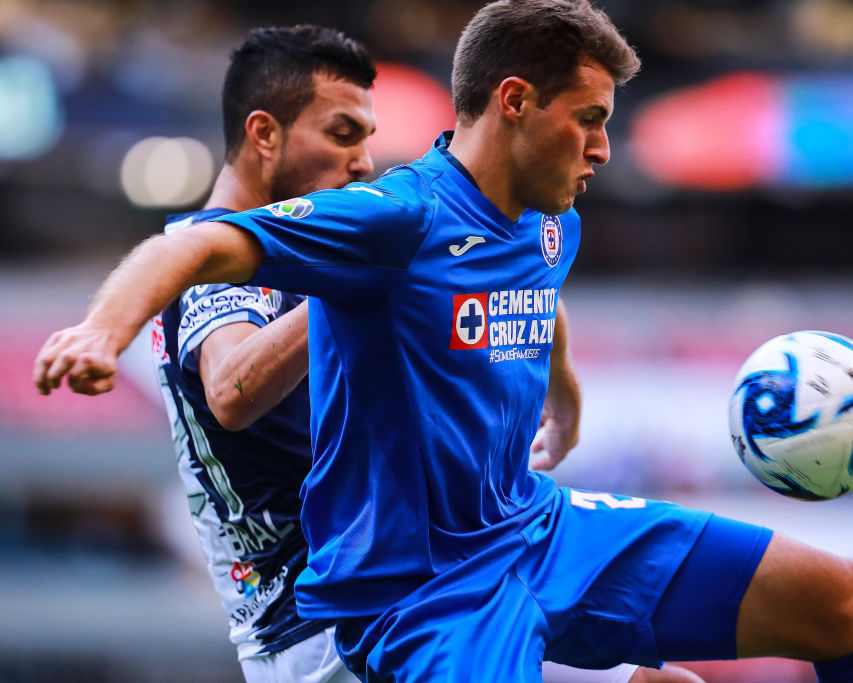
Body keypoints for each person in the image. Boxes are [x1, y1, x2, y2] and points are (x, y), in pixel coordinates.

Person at [34, 1, 853, 681]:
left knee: (846, 600)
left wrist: (564, 391)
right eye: (590, 118)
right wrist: (101, 331)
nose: (605, 148)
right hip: (386, 604)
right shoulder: (385, 224)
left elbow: (530, 281)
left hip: (526, 532)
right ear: (515, 101)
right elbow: (205, 300)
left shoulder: (541, 221)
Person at [146, 21, 693, 683]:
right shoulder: (212, 259)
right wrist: (360, 280)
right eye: (343, 134)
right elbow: (230, 391)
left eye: (367, 139)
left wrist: (561, 387)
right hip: (324, 625)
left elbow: (506, 272)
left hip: (426, 582)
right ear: (265, 134)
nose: (362, 163)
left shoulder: (343, 240)